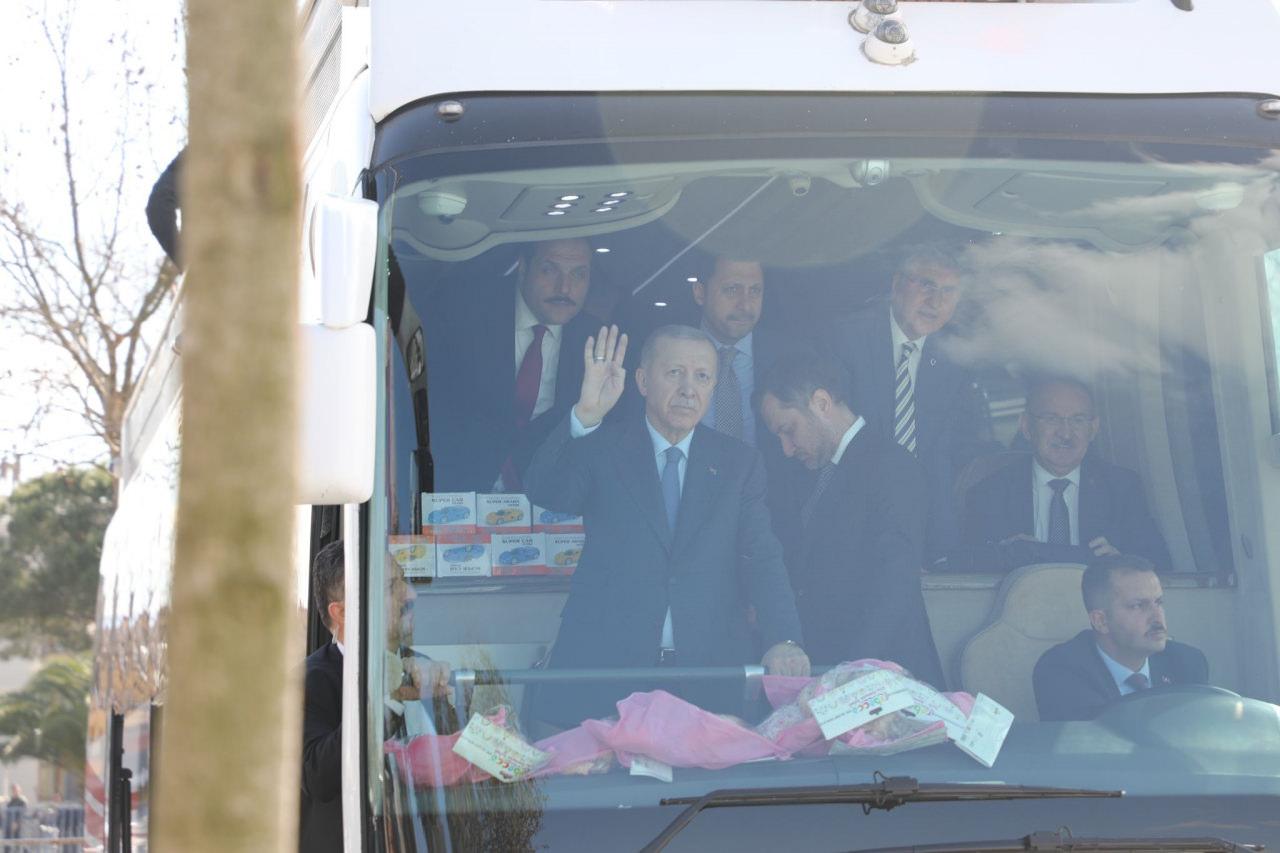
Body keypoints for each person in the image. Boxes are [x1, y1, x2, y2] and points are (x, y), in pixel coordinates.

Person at [525, 324, 809, 725]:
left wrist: (784, 638)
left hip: (706, 674)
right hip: (607, 672)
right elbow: (546, 491)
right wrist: (586, 414)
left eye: (702, 376)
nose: (689, 389)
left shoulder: (738, 464)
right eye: (674, 373)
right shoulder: (603, 446)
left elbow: (762, 556)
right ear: (642, 381)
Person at [757, 354, 945, 686]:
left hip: (880, 678)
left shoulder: (891, 467)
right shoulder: (810, 472)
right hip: (836, 674)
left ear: (821, 403)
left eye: (789, 430)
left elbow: (894, 582)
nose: (786, 448)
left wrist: (855, 671)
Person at [826, 244, 991, 561]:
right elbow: (835, 441)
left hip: (925, 518)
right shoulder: (847, 337)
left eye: (948, 291)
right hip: (855, 510)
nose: (935, 301)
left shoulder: (956, 355)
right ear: (897, 284)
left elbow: (952, 452)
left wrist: (942, 541)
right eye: (926, 285)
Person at [300, 541, 448, 852]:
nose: (411, 594)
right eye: (392, 586)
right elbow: (319, 777)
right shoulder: (309, 682)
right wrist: (389, 702)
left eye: (405, 580)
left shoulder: (424, 667)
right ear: (342, 612)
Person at [423, 238, 601, 492]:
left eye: (579, 274)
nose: (564, 287)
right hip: (455, 491)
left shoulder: (599, 342)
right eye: (549, 270)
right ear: (523, 267)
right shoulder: (463, 314)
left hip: (547, 498)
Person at [962, 376, 1172, 569]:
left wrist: (1121, 564)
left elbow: (1161, 568)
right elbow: (963, 569)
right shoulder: (989, 492)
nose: (1065, 433)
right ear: (1026, 426)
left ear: (1093, 428)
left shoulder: (1122, 487)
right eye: (1051, 419)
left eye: (1078, 420)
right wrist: (999, 557)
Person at [1033, 554, 1208, 722]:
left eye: (1158, 602)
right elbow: (1093, 740)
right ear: (1101, 621)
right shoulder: (1061, 672)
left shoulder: (1188, 663)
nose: (1157, 617)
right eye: (1138, 606)